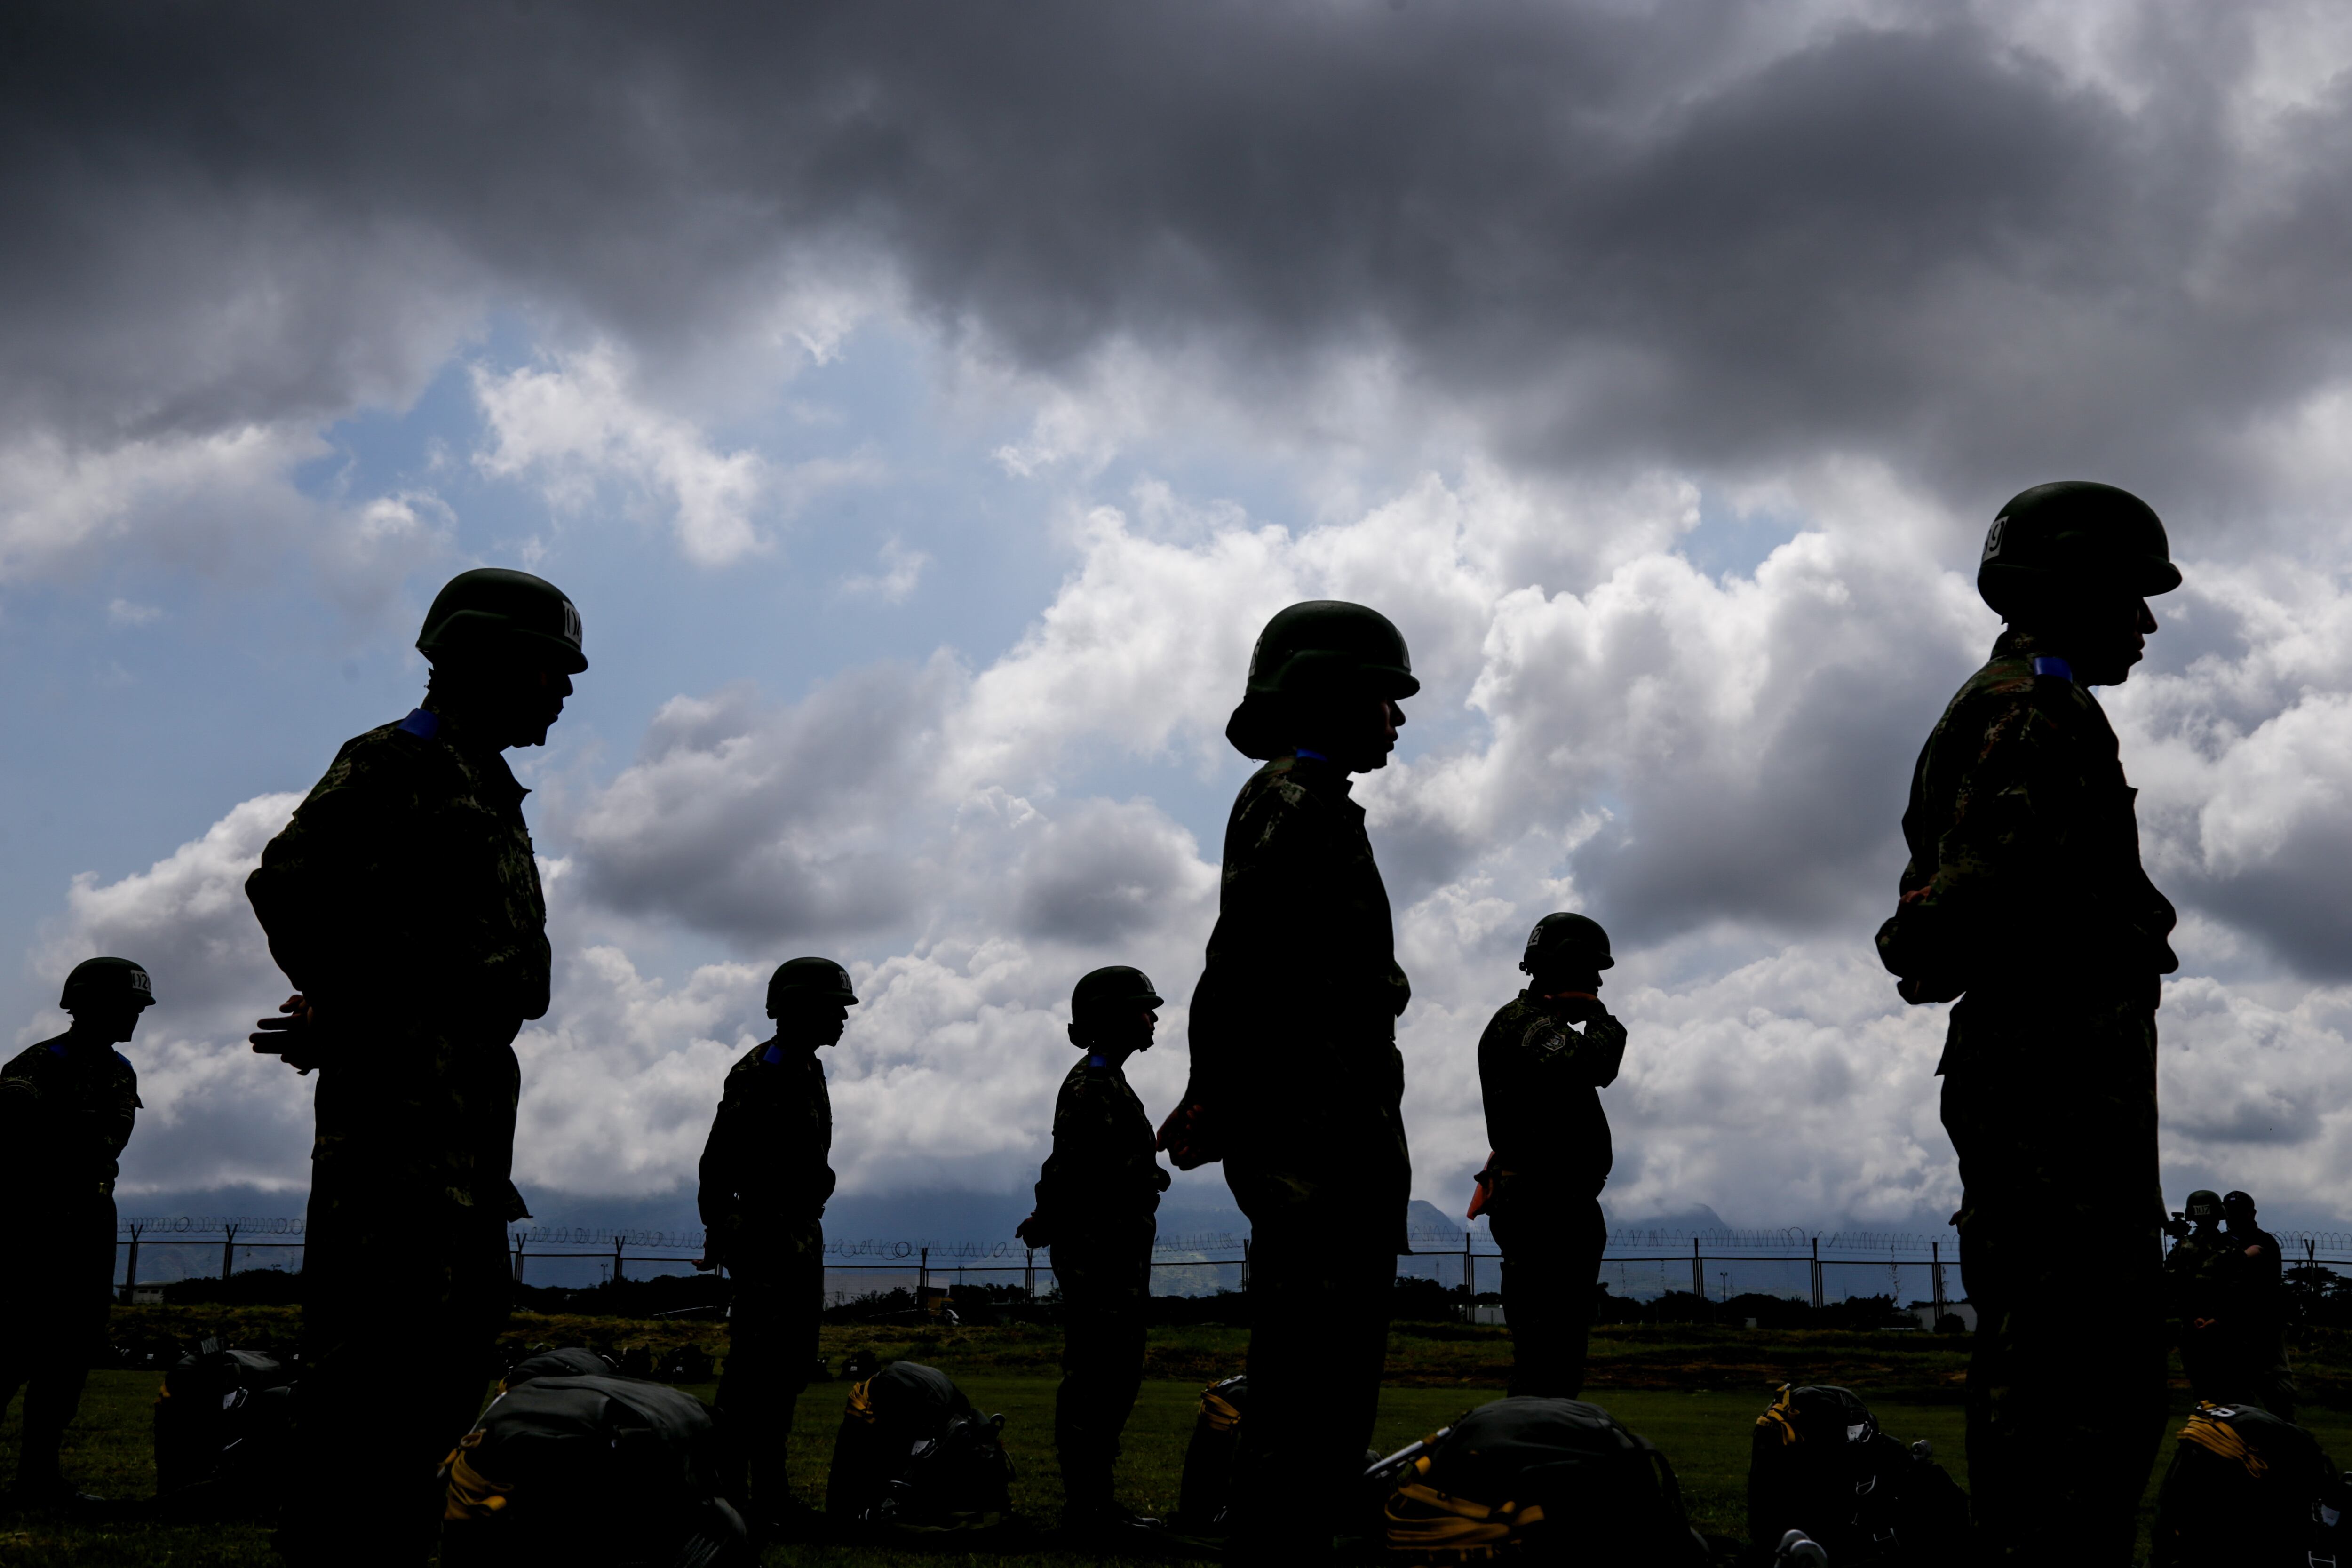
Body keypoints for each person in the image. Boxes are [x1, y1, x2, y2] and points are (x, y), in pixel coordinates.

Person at [244, 567, 584, 1567]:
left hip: (468, 1119)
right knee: (372, 1367)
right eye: (546, 668)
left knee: (447, 1361)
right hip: (398, 1127)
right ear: (480, 660)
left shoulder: (482, 780)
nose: (563, 689)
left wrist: (366, 998)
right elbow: (289, 886)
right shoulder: (398, 763)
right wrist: (362, 1006)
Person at [1876, 481, 2180, 1566]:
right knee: (2073, 1377)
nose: (2145, 625)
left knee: (2083, 1372)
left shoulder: (2046, 708)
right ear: (2066, 592)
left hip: (2062, 1094)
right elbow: (1949, 925)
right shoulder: (2029, 716)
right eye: (2128, 598)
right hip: (2050, 1097)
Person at [1159, 599, 1418, 1563]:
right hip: (1310, 1138)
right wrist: (1214, 1092)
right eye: (1384, 696)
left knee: (1333, 1371)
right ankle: (1279, 1537)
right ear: (1325, 691)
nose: (1397, 719)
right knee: (1311, 1368)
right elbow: (1242, 957)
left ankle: (1301, 1527)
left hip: (1336, 1128)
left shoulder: (1315, 804)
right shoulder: (1293, 803)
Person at [695, 956, 854, 1538]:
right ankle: (729, 1495)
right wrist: (722, 1228)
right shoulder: (762, 1070)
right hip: (764, 1233)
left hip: (797, 1230)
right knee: (753, 1370)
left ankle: (772, 1496)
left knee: (786, 1368)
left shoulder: (807, 1069)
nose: (842, 1018)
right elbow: (718, 1160)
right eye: (834, 1006)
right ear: (799, 1007)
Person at [1015, 966, 1173, 1541]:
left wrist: (1145, 1171)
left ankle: (1095, 1504)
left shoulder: (1108, 1082)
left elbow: (1096, 1165)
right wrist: (1049, 1217)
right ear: (1111, 1017)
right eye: (1141, 1008)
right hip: (1100, 1254)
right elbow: (1069, 1168)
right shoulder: (1093, 1085)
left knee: (1113, 1374)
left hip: (1115, 1251)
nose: (1152, 1018)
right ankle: (1088, 1509)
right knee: (1097, 1378)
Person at [0, 958, 153, 1505]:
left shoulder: (119, 1071)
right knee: (13, 1347)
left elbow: (108, 1143)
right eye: (125, 1007)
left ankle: (38, 1479)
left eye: (138, 1009)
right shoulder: (38, 1065)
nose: (134, 1017)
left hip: (89, 1221)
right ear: (86, 1005)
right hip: (30, 1222)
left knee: (70, 1354)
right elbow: (17, 1146)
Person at [1472, 914, 1625, 1399]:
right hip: (1543, 1204)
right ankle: (1529, 1447)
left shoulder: (1535, 1025)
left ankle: (1545, 1438)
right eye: (1592, 970)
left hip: (1558, 1200)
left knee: (1559, 1349)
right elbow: (1596, 1064)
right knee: (1546, 1349)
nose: (1599, 982)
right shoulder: (1527, 1026)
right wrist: (1600, 1018)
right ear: (1565, 967)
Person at [2218, 1190, 2295, 1421]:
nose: (2233, 1218)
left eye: (2238, 1213)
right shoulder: (2225, 1242)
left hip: (2264, 1325)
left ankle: (2286, 1434)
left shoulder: (2264, 1242)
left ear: (2252, 1213)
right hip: (2234, 1324)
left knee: (2276, 1388)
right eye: (2229, 1213)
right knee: (2237, 1392)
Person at [2162, 1190, 2232, 1403]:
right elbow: (2239, 1290)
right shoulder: (2231, 1247)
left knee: (2202, 1392)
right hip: (2225, 1329)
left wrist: (2193, 1316)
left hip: (2192, 1328)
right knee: (2229, 1392)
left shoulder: (2182, 1249)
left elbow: (2172, 1287)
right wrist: (2218, 1317)